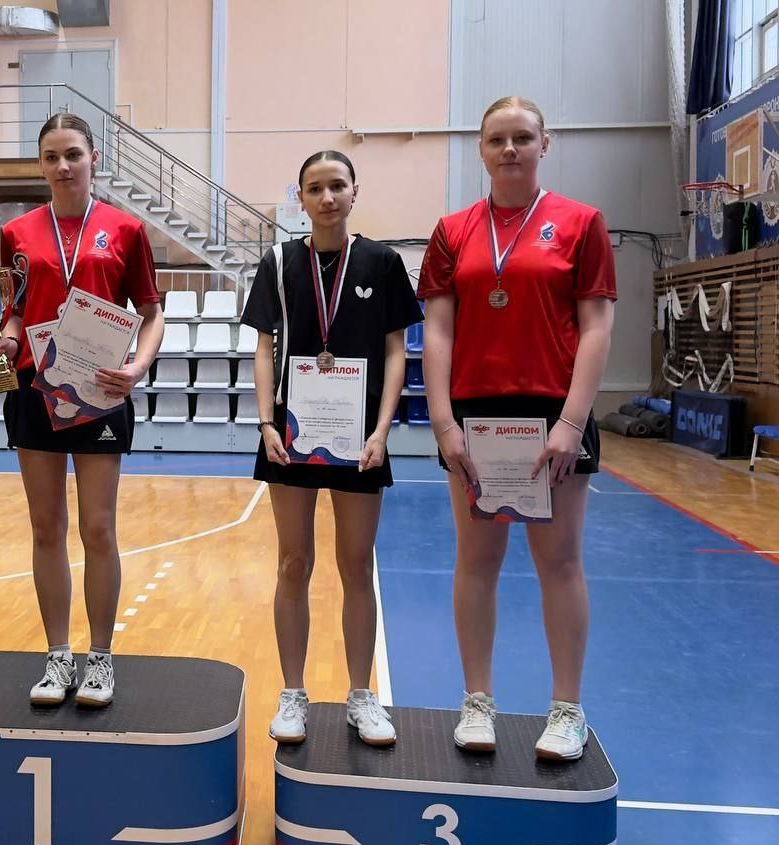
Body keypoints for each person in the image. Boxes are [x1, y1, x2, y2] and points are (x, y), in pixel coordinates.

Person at [418, 95, 616, 762]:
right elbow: (438, 329)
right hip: (475, 416)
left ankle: (567, 709)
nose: (510, 149)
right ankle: (477, 701)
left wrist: (572, 421)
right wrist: (443, 421)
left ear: (544, 144)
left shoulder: (581, 223)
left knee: (559, 563)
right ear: (480, 148)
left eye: (522, 138)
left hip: (554, 413)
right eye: (497, 138)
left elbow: (597, 326)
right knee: (477, 562)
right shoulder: (453, 231)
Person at [0, 112, 165, 708]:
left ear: (93, 159)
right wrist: (6, 341)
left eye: (73, 154)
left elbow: (151, 311)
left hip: (101, 390)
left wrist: (137, 367)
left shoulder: (126, 229)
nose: (63, 166)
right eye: (51, 157)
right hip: (34, 387)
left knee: (98, 528)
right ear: (40, 164)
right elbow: (14, 310)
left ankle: (101, 657)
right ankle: (58, 656)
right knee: (45, 527)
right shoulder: (16, 232)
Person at [245, 150, 415, 746]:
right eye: (314, 188)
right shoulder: (277, 261)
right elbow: (264, 347)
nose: (326, 197)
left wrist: (382, 430)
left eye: (337, 185)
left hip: (359, 439)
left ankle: (361, 695)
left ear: (354, 191)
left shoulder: (383, 262)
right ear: (300, 197)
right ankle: (293, 694)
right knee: (293, 563)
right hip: (290, 436)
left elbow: (395, 351)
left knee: (356, 566)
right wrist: (266, 422)